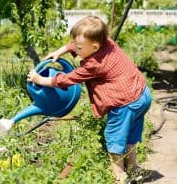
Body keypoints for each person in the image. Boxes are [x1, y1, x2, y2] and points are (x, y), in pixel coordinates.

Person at [25, 16, 152, 183]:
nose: (76, 51)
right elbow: (78, 43)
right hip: (142, 95)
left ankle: (120, 176)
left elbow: (68, 79)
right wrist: (59, 51)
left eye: (78, 48)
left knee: (114, 136)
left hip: (125, 103)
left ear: (94, 47)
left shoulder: (94, 64)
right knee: (130, 133)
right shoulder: (107, 43)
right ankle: (133, 167)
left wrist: (39, 80)